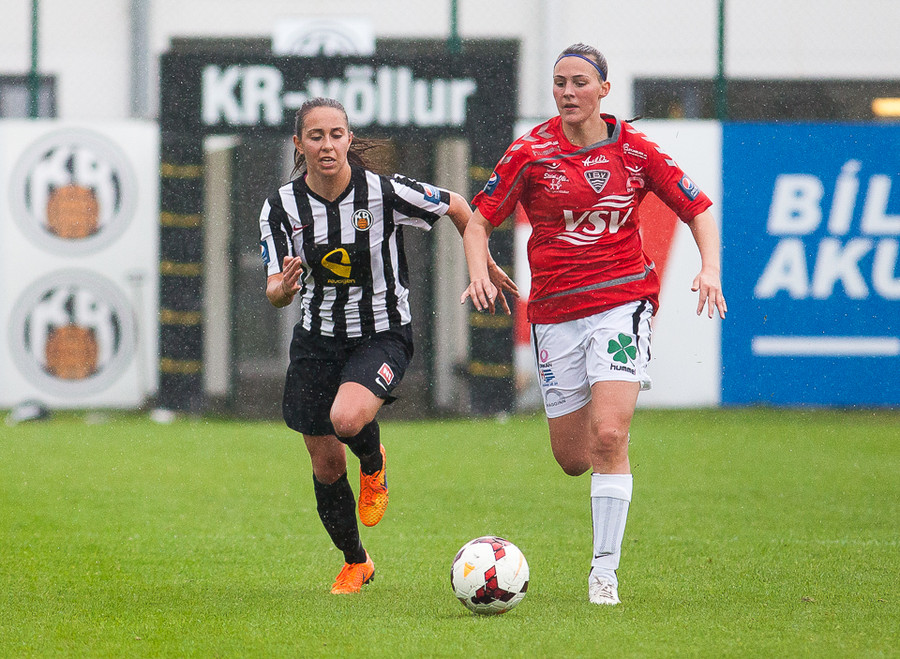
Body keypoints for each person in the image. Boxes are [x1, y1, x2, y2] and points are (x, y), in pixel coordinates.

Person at [461, 44, 727, 605]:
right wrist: (479, 271)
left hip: (622, 303)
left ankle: (604, 572)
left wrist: (710, 269)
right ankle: (604, 445)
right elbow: (478, 221)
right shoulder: (530, 152)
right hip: (555, 315)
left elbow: (697, 208)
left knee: (609, 435)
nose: (568, 92)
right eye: (560, 82)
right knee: (573, 459)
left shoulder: (634, 150)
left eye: (580, 82)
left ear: (604, 89)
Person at [259, 97, 516, 594]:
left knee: (346, 419)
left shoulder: (383, 192)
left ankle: (373, 462)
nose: (327, 145)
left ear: (349, 139)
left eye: (336, 134)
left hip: (382, 333)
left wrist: (481, 266)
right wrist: (284, 289)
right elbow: (273, 290)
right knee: (325, 463)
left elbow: (458, 206)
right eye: (316, 136)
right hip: (315, 341)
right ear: (299, 144)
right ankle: (356, 561)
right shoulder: (281, 207)